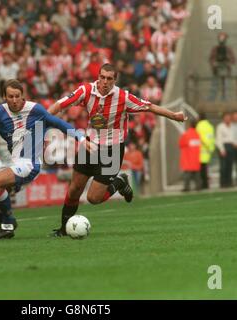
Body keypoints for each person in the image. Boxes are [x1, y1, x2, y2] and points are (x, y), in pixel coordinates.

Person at [48, 63, 186, 237]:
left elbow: (150, 107)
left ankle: (119, 182)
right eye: (102, 77)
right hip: (90, 145)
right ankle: (63, 229)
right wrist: (43, 118)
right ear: (98, 76)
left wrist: (173, 115)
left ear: (115, 80)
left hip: (112, 151)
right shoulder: (86, 91)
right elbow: (60, 104)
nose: (104, 82)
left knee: (93, 199)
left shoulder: (123, 97)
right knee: (74, 188)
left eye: (109, 78)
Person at [0, 79, 93, 240]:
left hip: (30, 163)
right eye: (11, 96)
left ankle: (8, 224)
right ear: (4, 96)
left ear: (23, 96)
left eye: (18, 96)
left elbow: (58, 123)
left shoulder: (35, 110)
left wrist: (79, 137)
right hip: (15, 162)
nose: (15, 100)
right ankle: (7, 226)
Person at [209, 32, 236, 101]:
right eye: (220, 38)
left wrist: (228, 61)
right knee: (214, 86)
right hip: (217, 70)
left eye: (223, 38)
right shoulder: (215, 49)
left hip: (225, 69)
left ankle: (225, 100)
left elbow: (233, 60)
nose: (222, 40)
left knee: (225, 87)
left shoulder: (228, 49)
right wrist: (214, 63)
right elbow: (211, 59)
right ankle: (212, 99)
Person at [179, 121, 201, 192]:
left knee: (187, 174)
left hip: (188, 158)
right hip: (196, 158)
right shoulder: (197, 134)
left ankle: (186, 187)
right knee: (197, 173)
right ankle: (198, 186)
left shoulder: (186, 134)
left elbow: (180, 144)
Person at [196, 113, 215, 189]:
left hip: (201, 151)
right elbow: (212, 137)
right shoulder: (210, 126)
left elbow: (199, 137)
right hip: (209, 150)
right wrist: (210, 147)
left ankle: (204, 185)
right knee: (206, 169)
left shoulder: (199, 126)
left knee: (202, 170)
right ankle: (206, 184)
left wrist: (205, 144)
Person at [216, 112, 234, 188]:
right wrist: (222, 149)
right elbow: (218, 139)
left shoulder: (232, 127)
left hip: (231, 146)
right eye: (226, 117)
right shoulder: (220, 127)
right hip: (223, 146)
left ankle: (229, 182)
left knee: (230, 166)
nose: (227, 119)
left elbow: (233, 138)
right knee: (223, 166)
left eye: (229, 118)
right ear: (223, 118)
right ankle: (223, 183)